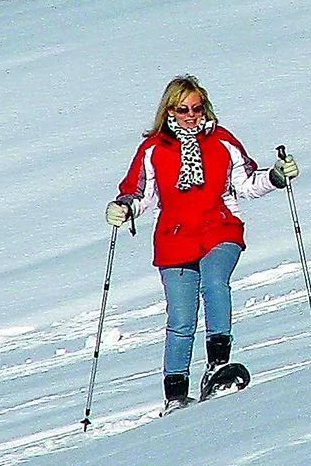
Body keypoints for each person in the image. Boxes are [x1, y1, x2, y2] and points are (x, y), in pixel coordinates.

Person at [105, 75, 299, 412]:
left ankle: (218, 365)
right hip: (175, 237)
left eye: (196, 108)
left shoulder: (221, 141)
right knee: (181, 317)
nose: (191, 115)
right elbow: (140, 194)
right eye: (183, 109)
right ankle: (176, 394)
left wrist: (276, 177)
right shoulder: (153, 150)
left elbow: (247, 182)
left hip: (218, 227)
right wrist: (123, 207)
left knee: (214, 280)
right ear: (169, 111)